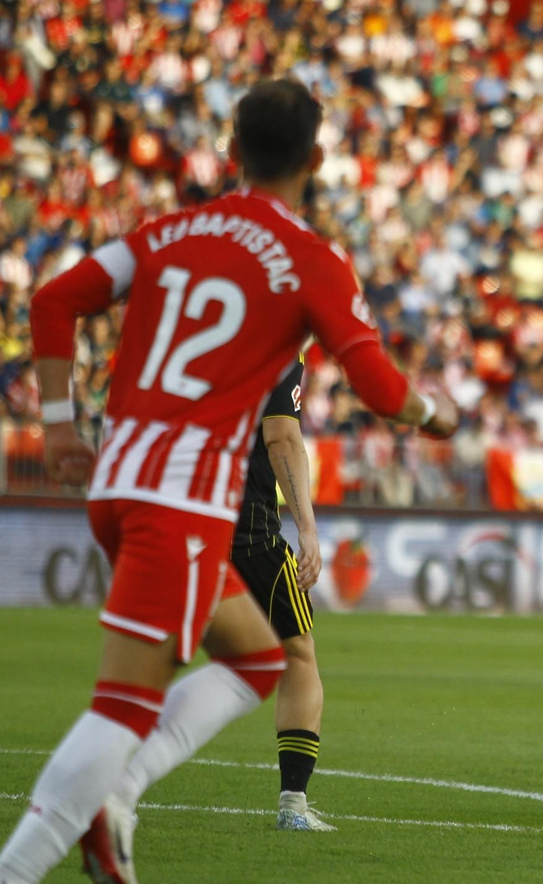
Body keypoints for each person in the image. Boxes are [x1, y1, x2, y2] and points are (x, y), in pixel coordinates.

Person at [0, 80, 457, 884]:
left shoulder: (165, 232)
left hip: (120, 480)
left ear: (232, 152)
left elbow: (54, 300)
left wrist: (59, 426)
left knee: (256, 659)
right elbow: (379, 388)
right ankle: (24, 863)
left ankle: (115, 798)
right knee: (123, 706)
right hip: (182, 499)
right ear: (316, 160)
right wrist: (436, 414)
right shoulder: (311, 259)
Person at [229, 354, 333, 830]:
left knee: (154, 653)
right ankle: (293, 805)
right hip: (246, 531)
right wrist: (307, 528)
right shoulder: (277, 347)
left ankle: (112, 791)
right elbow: (282, 437)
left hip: (174, 517)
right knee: (297, 654)